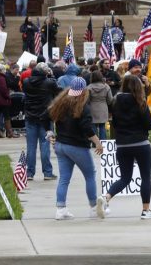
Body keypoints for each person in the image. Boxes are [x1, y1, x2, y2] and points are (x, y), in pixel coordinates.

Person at [47, 77, 107, 220]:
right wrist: (98, 142)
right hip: (77, 146)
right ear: (84, 91)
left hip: (61, 145)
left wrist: (49, 133)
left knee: (64, 179)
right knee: (90, 175)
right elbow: (86, 128)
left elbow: (46, 116)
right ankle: (93, 207)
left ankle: (60, 209)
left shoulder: (61, 103)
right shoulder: (83, 107)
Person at [102, 75, 151, 219]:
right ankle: (145, 210)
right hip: (140, 143)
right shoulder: (140, 101)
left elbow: (114, 124)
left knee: (125, 178)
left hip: (122, 144)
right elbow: (150, 125)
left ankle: (106, 197)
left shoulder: (115, 102)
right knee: (145, 177)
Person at [23, 62, 61, 181]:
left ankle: (29, 173)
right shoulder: (49, 82)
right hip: (45, 117)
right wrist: (51, 75)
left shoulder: (26, 82)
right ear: (45, 72)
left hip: (30, 116)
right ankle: (47, 173)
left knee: (31, 146)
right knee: (45, 145)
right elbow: (57, 90)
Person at [87, 71, 113, 140]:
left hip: (92, 108)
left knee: (93, 126)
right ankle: (103, 142)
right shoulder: (106, 86)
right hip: (103, 108)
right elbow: (110, 100)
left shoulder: (89, 87)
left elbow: (87, 100)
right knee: (102, 126)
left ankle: (95, 143)